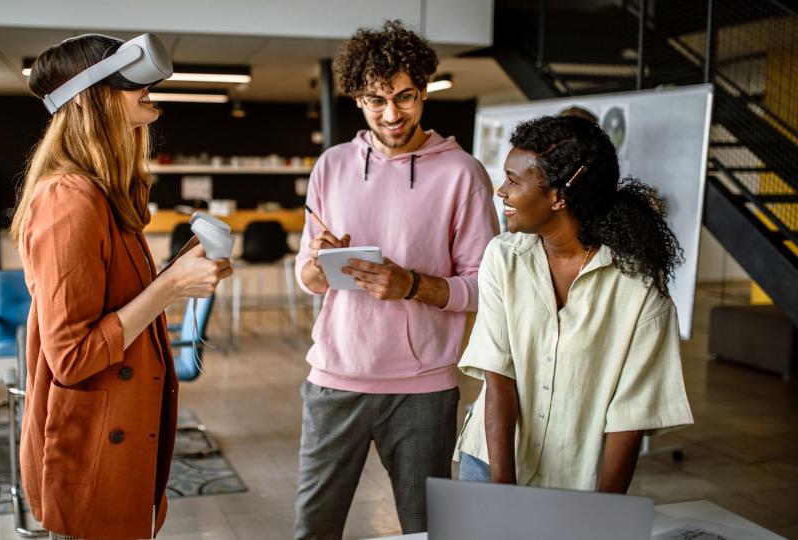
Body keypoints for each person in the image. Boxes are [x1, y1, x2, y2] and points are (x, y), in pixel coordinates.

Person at [10, 34, 232, 539]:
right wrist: (171, 286)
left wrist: (183, 271)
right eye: (134, 83)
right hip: (88, 451)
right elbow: (71, 356)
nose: (149, 90)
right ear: (95, 97)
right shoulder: (69, 199)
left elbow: (115, 302)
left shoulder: (106, 194)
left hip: (119, 441)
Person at [293, 20, 499, 538]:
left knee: (426, 530)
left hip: (423, 388)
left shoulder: (462, 174)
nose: (392, 114)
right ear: (357, 99)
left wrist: (410, 285)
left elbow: (485, 287)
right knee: (313, 529)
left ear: (424, 90)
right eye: (374, 100)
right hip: (334, 379)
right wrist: (319, 265)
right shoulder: (331, 166)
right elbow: (307, 278)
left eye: (405, 98)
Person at [455, 114, 693, 492]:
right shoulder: (502, 257)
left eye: (514, 181)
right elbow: (498, 375)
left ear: (558, 196)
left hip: (577, 480)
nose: (501, 191)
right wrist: (501, 492)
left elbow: (630, 412)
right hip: (491, 464)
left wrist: (603, 510)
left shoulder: (638, 284)